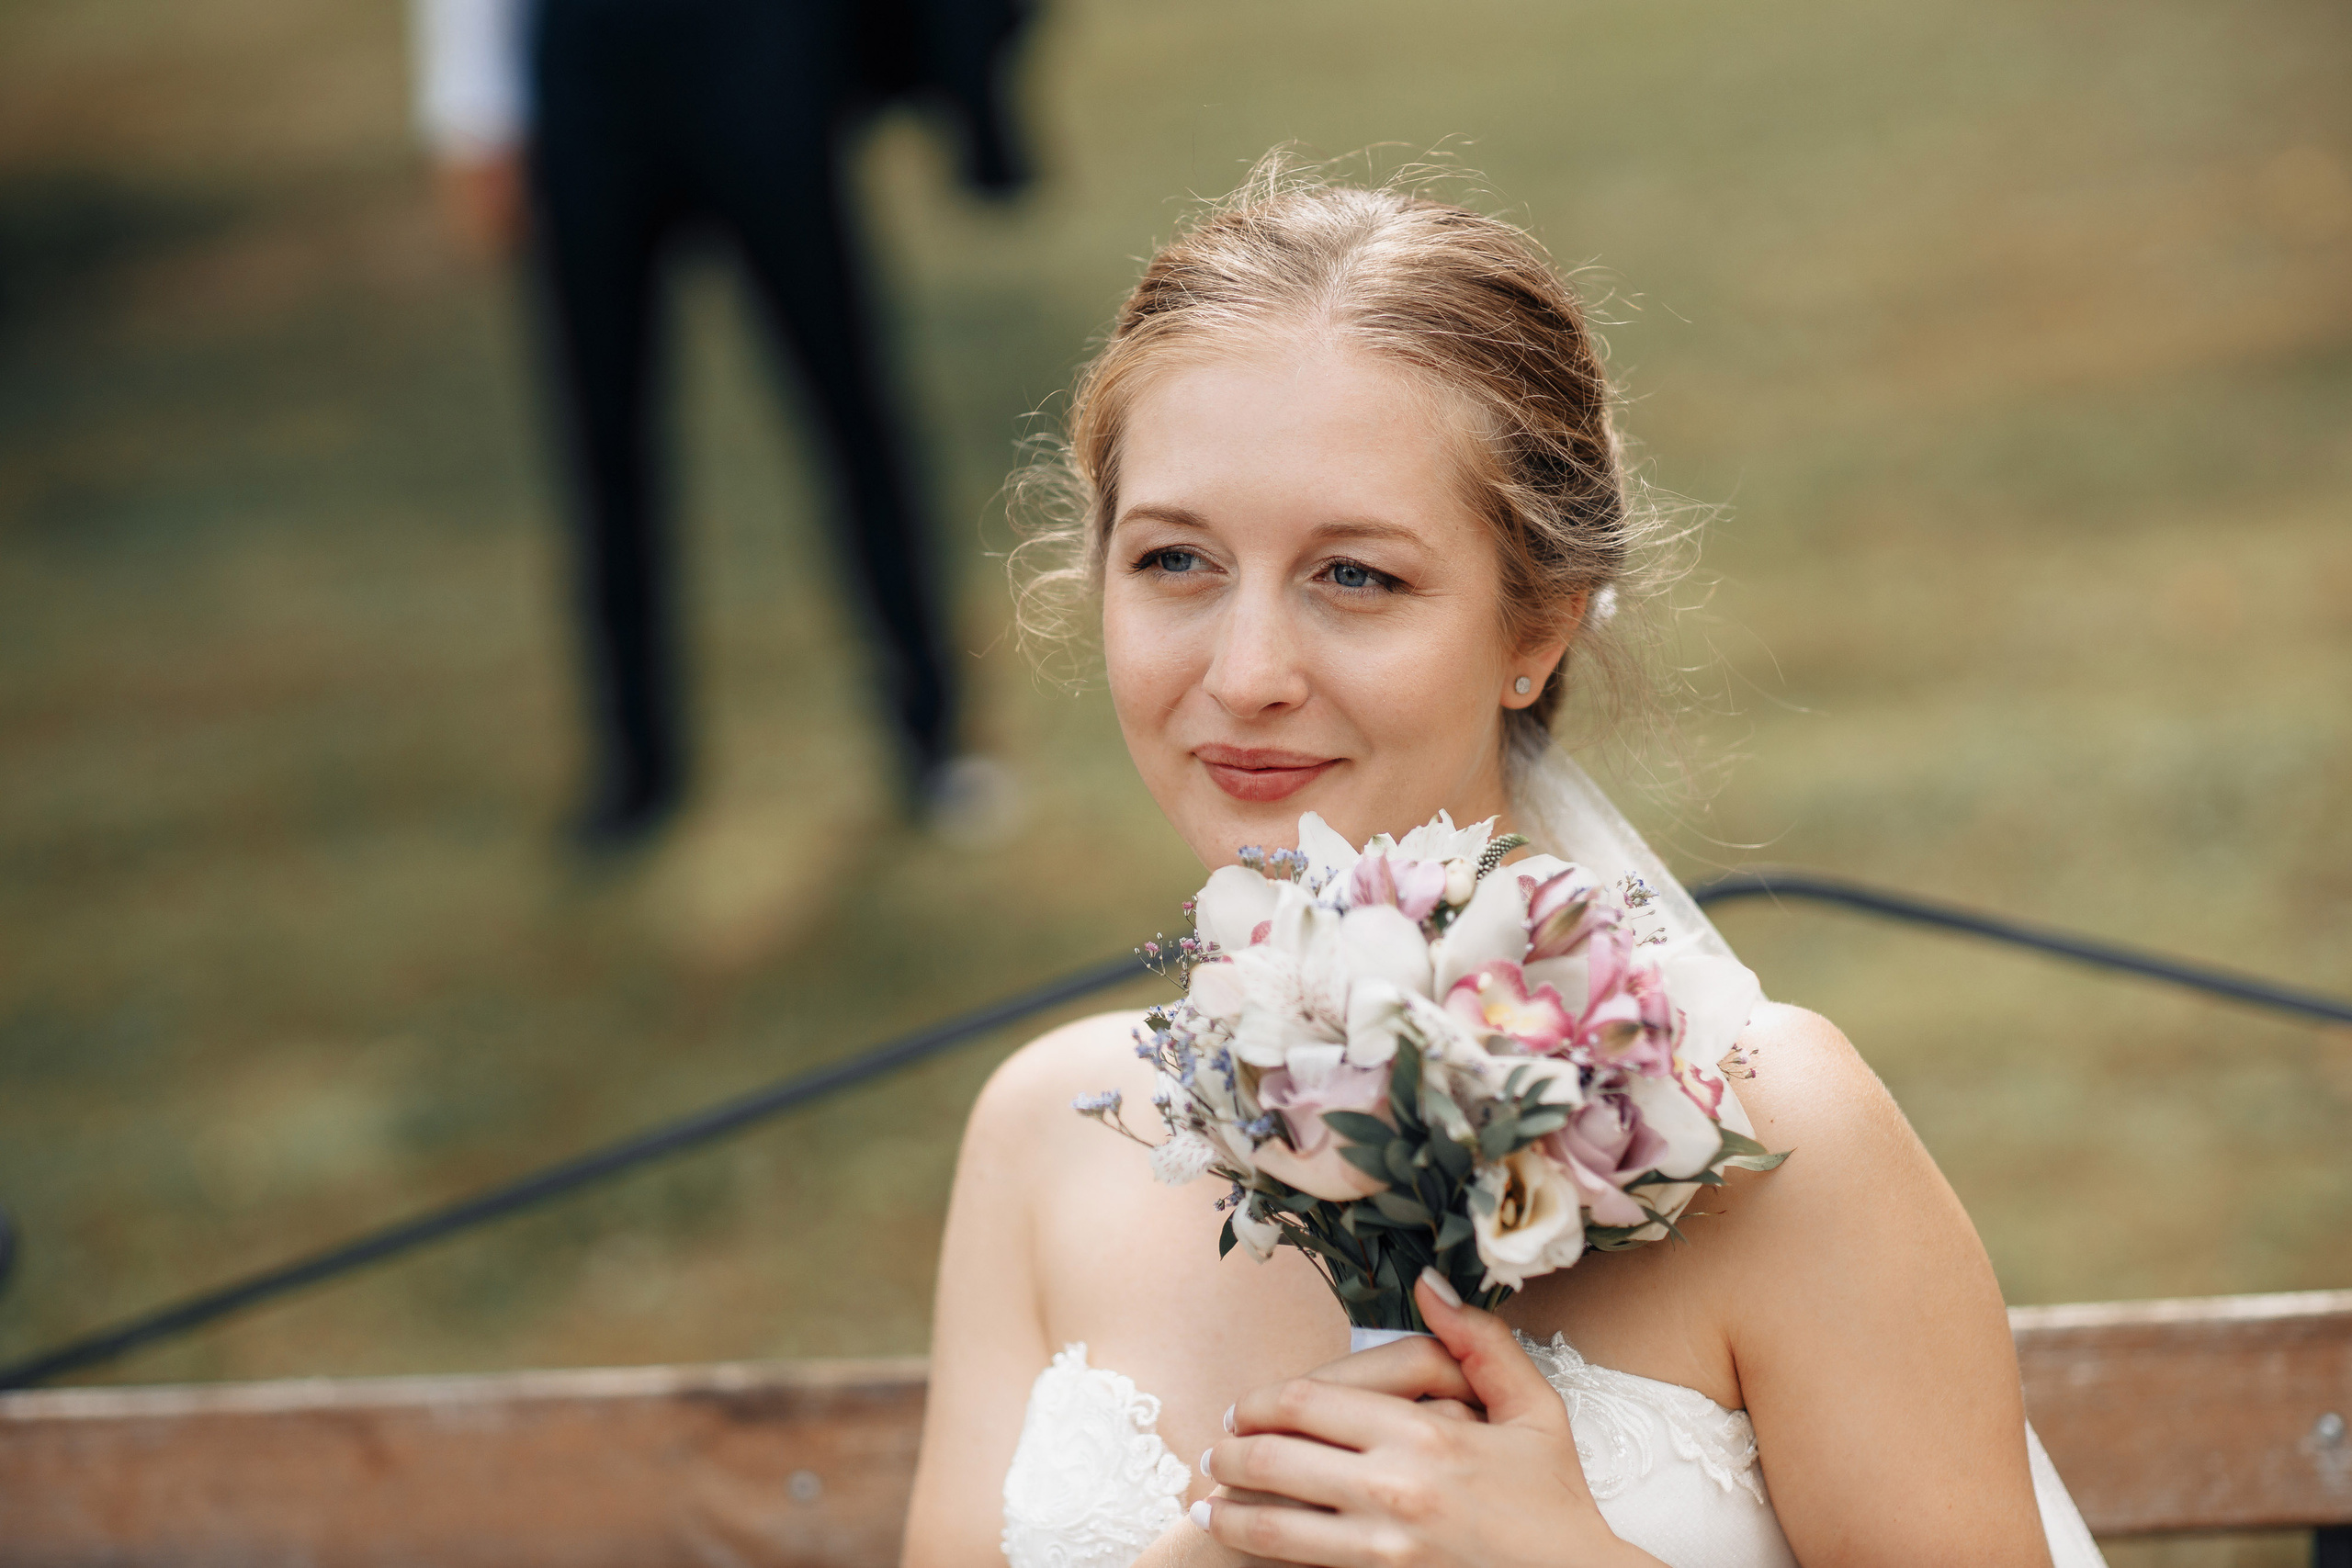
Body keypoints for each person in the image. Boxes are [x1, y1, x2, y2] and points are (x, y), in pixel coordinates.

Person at [900, 161, 2107, 1568]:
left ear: (1533, 624)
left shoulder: (1770, 1130)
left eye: (1357, 575)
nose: (1246, 673)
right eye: (1175, 560)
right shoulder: (1052, 1133)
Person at [411, 0, 1032, 846]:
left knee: (848, 401)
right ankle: (636, 766)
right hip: (589, 63)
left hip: (754, 45)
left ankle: (933, 736)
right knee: (602, 439)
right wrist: (470, 110)